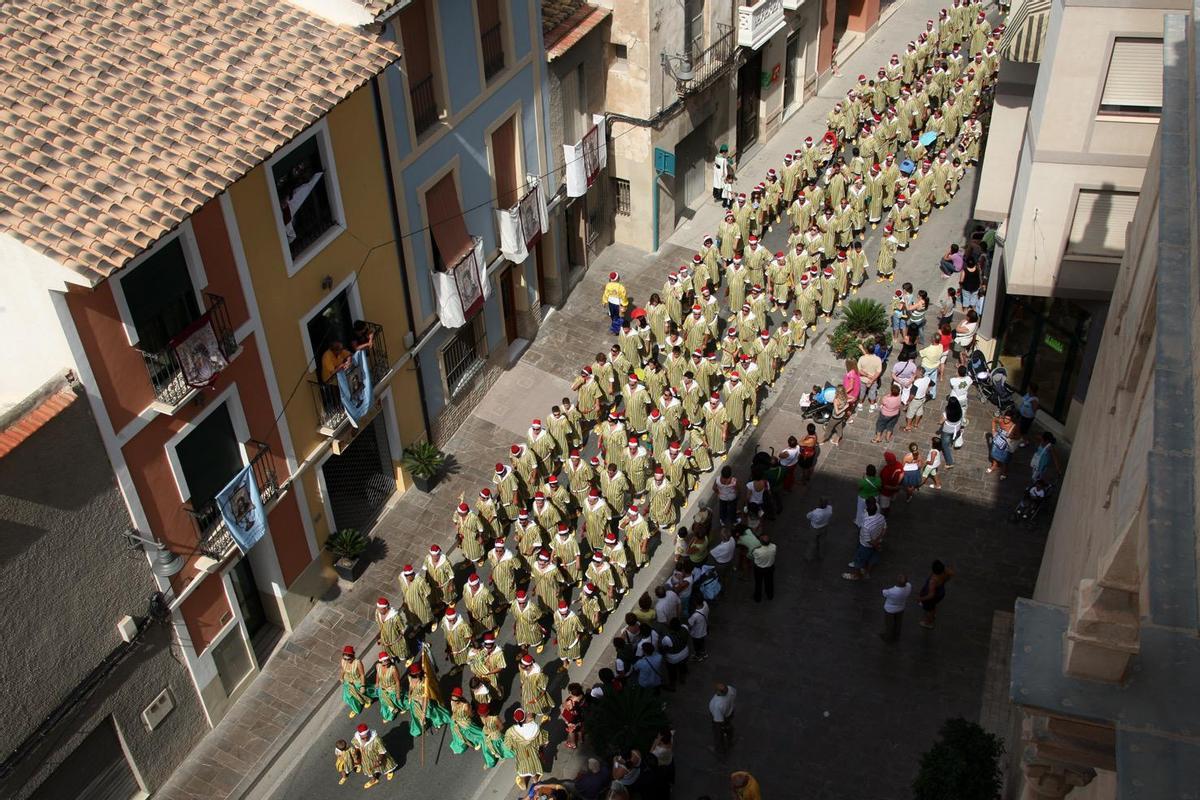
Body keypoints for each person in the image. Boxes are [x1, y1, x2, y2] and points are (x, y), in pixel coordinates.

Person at [504, 708, 550, 791]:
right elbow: (544, 740)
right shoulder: (535, 727)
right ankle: (536, 782)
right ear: (525, 717)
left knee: (522, 768)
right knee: (533, 767)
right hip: (533, 752)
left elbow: (507, 745)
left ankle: (523, 784)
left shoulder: (510, 731)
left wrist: (515, 747)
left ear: (515, 719)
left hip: (520, 753)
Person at [843, 498, 885, 580]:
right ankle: (867, 573)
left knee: (859, 561)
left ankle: (856, 576)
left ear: (867, 510)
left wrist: (876, 545)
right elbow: (884, 528)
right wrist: (878, 540)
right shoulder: (881, 517)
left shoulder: (866, 525)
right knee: (872, 559)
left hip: (865, 546)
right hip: (877, 541)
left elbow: (868, 541)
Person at [351, 724, 396, 788]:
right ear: (359, 736)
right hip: (365, 759)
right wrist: (356, 755)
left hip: (377, 756)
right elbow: (357, 748)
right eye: (363, 738)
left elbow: (382, 751)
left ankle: (389, 771)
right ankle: (374, 779)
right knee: (368, 769)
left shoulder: (376, 739)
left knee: (384, 764)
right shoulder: (356, 739)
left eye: (367, 736)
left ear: (369, 732)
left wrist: (379, 760)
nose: (366, 739)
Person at [919, 560, 955, 629]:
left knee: (929, 609)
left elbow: (931, 595)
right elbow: (952, 574)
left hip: (933, 595)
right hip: (940, 591)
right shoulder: (945, 571)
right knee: (933, 604)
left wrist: (920, 599)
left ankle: (928, 623)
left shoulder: (933, 580)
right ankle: (933, 613)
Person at [338, 645, 372, 718]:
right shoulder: (343, 661)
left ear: (352, 656)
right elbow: (343, 669)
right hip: (348, 682)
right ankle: (356, 709)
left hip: (357, 682)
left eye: (349, 659)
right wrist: (341, 678)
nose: (346, 661)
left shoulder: (357, 662)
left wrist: (362, 686)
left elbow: (362, 674)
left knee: (363, 694)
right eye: (345, 658)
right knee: (348, 697)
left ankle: (367, 701)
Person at [880, 574, 912, 642]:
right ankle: (897, 634)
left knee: (889, 624)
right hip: (901, 607)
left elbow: (884, 592)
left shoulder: (892, 591)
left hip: (890, 610)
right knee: (898, 622)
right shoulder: (909, 586)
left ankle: (888, 637)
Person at [709, 682, 737, 752]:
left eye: (716, 690)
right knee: (728, 726)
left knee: (718, 733)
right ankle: (730, 739)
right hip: (730, 712)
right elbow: (735, 693)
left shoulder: (719, 705)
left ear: (720, 693)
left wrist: (720, 726)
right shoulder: (730, 689)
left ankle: (719, 748)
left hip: (722, 717)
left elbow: (719, 720)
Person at [988, 412, 1015, 478]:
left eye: (1008, 419)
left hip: (1006, 444)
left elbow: (1018, 437)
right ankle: (994, 466)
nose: (1006, 420)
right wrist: (993, 430)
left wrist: (1011, 436)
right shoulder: (1001, 421)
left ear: (1011, 419)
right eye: (1005, 418)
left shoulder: (1013, 426)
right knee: (994, 454)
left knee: (1005, 459)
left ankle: (1004, 472)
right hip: (997, 439)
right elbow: (994, 420)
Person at [750, 532, 776, 602]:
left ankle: (758, 598)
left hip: (759, 569)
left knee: (758, 583)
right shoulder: (773, 547)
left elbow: (752, 556)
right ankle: (770, 595)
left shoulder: (757, 550)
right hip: (770, 568)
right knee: (769, 582)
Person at [709, 528, 736, 593]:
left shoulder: (722, 547)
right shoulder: (732, 539)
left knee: (720, 577)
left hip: (721, 564)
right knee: (726, 573)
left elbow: (712, 553)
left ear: (723, 537)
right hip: (729, 561)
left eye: (721, 535)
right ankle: (726, 582)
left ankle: (721, 589)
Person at [561, 682, 586, 750]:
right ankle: (581, 740)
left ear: (571, 692)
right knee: (580, 728)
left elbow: (564, 706)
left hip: (572, 719)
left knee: (571, 731)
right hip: (580, 716)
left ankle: (573, 744)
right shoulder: (582, 695)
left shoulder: (570, 701)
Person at [602, 271, 629, 335]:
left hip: (611, 303)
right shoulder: (621, 287)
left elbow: (606, 294)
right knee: (619, 317)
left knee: (613, 315)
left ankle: (615, 326)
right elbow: (624, 296)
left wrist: (604, 302)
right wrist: (625, 304)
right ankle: (616, 330)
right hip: (618, 304)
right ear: (617, 279)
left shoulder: (608, 285)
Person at [1016, 382, 1040, 447]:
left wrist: (1032, 407)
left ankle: (1025, 441)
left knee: (1024, 431)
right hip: (1022, 415)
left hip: (1027, 418)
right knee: (1019, 427)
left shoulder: (1034, 400)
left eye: (1029, 388)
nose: (1027, 389)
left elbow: (1035, 409)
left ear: (1031, 389)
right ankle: (1020, 438)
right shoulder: (1028, 395)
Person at [688, 596, 710, 661]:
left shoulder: (695, 615)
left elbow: (690, 625)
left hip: (696, 634)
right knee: (702, 643)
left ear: (695, 603)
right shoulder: (705, 604)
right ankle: (704, 654)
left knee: (696, 646)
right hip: (704, 631)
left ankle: (698, 656)